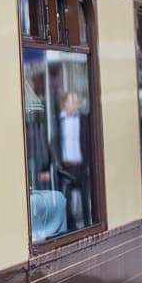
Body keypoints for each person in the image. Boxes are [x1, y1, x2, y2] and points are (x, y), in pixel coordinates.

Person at [56, 91, 92, 231]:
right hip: (65, 166)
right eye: (72, 101)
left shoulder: (84, 119)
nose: (76, 104)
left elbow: (89, 143)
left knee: (85, 199)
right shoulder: (58, 120)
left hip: (81, 165)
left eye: (77, 102)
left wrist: (89, 165)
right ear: (65, 103)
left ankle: (88, 225)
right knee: (66, 200)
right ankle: (70, 229)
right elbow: (53, 142)